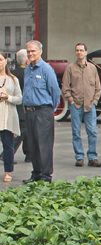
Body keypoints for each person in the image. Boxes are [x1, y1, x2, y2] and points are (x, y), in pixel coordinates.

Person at [22, 40, 60, 184]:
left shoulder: (46, 69)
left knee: (44, 145)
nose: (30, 53)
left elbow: (55, 92)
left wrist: (51, 110)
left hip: (43, 112)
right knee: (33, 144)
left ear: (40, 51)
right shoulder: (27, 69)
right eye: (28, 51)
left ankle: (45, 177)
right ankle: (36, 174)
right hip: (30, 112)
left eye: (33, 51)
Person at [62, 43, 101, 167]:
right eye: (77, 50)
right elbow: (65, 87)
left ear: (86, 52)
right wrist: (71, 101)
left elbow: (98, 87)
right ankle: (79, 157)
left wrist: (94, 101)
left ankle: (92, 157)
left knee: (92, 132)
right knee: (76, 132)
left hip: (90, 105)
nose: (79, 52)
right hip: (76, 105)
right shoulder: (70, 68)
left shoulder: (92, 68)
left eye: (81, 50)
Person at [0, 49, 30, 164]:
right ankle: (27, 154)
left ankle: (28, 154)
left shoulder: (14, 75)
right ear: (27, 62)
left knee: (23, 132)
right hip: (18, 108)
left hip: (11, 108)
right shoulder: (26, 74)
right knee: (22, 132)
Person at [0, 50, 22, 182]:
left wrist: (8, 97)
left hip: (7, 116)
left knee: (8, 144)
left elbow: (19, 99)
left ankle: (8, 171)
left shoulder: (13, 79)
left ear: (5, 61)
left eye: (1, 59)